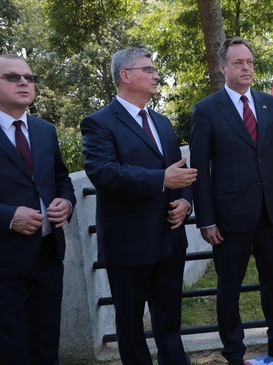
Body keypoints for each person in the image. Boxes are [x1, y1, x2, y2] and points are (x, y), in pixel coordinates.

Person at [81, 48, 195, 365]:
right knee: (130, 325)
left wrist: (185, 202)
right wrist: (162, 179)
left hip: (170, 238)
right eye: (149, 69)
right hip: (128, 242)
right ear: (125, 76)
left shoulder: (162, 122)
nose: (156, 75)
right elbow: (104, 172)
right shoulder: (98, 123)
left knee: (169, 317)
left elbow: (180, 172)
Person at [190, 37, 273, 364]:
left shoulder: (269, 105)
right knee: (228, 293)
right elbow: (200, 169)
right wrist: (206, 220)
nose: (246, 67)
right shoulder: (206, 110)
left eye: (249, 62)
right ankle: (234, 355)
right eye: (238, 63)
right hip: (228, 221)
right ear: (223, 68)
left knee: (272, 288)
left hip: (269, 215)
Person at [0, 54, 76, 364]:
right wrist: (7, 216)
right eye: (12, 77)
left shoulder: (43, 130)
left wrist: (66, 203)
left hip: (47, 256)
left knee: (46, 343)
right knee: (8, 350)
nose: (24, 82)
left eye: (29, 77)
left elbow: (61, 179)